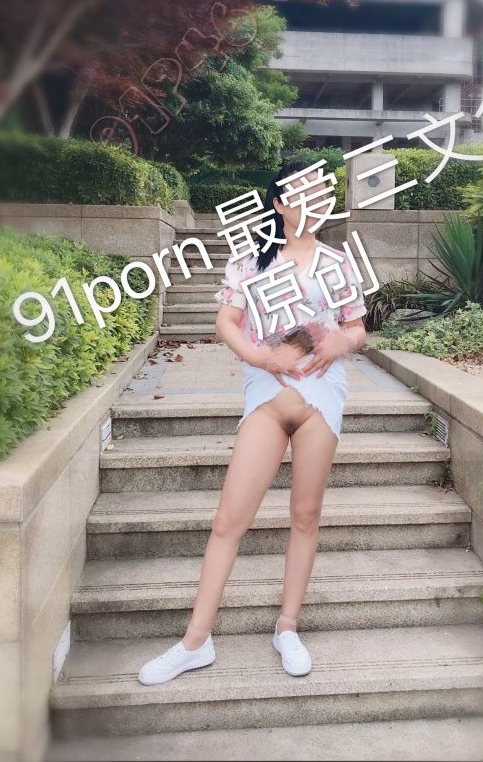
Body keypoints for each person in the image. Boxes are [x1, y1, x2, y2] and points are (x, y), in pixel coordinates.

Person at [138, 161, 367, 684]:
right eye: (304, 191)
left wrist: (340, 341)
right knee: (228, 520)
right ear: (280, 204)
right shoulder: (251, 259)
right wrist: (261, 358)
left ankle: (287, 628)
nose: (316, 199)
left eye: (321, 191)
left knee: (305, 515)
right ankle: (195, 641)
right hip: (266, 396)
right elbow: (226, 321)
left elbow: (357, 327)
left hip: (322, 397)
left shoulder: (337, 263)